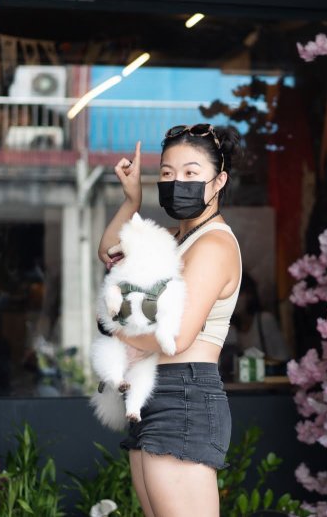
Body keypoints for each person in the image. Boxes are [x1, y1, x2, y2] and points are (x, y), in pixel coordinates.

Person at [98, 123, 242, 517]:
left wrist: (117, 331)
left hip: (184, 397)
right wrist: (131, 201)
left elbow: (175, 336)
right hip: (155, 394)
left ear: (218, 181)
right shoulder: (177, 241)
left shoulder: (212, 244)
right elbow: (109, 252)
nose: (177, 182)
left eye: (192, 173)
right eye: (167, 173)